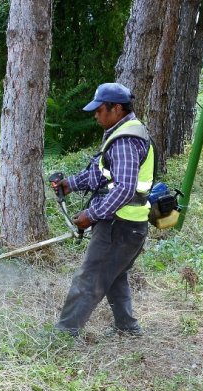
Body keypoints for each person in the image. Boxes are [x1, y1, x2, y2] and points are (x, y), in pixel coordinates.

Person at [50, 82, 154, 338]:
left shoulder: (126, 141)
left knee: (90, 279)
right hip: (131, 226)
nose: (96, 115)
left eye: (100, 109)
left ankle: (64, 335)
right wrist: (71, 184)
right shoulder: (125, 132)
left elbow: (124, 188)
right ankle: (128, 327)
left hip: (120, 225)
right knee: (115, 276)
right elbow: (102, 174)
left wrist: (91, 215)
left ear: (116, 108)